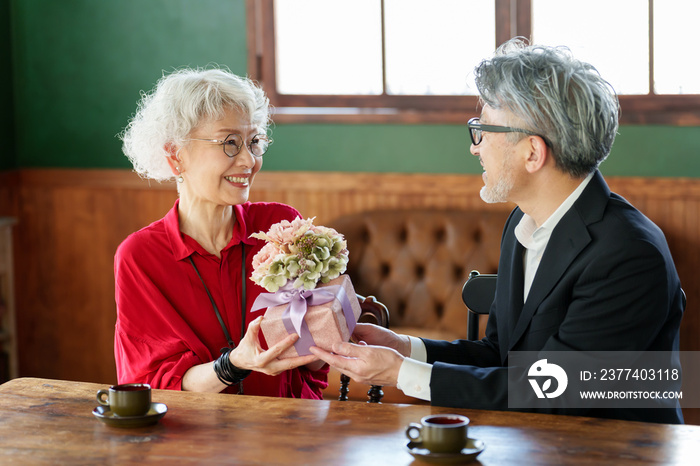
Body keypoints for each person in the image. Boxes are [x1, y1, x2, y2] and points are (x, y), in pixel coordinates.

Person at [310, 39, 684, 424]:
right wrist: (405, 348)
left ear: (533, 153)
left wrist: (399, 373)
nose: (476, 148)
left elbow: (551, 391)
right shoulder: (523, 223)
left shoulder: (629, 254)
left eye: (483, 130)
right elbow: (500, 355)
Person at [115, 67, 327, 398]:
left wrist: (332, 318)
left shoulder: (281, 227)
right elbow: (152, 383)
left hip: (290, 431)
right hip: (197, 441)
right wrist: (236, 363)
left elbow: (315, 364)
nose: (248, 160)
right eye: (230, 142)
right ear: (175, 157)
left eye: (254, 142)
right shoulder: (141, 256)